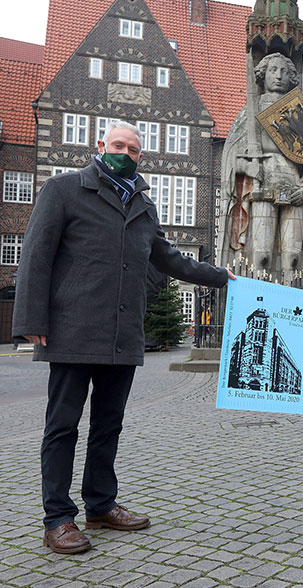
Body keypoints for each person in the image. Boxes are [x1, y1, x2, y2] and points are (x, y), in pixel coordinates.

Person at [12, 121, 236, 554]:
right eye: (118, 145)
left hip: (122, 333)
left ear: (140, 156)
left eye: (133, 149)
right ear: (101, 146)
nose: (125, 153)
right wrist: (30, 319)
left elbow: (168, 257)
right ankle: (57, 518)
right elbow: (36, 254)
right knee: (62, 426)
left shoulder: (143, 205)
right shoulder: (64, 189)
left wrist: (219, 276)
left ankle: (100, 505)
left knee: (108, 424)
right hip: (73, 330)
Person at [220, 52, 303, 275]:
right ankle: (258, 294)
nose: (279, 76)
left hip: (294, 186)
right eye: (273, 70)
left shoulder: (299, 113)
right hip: (263, 185)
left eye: (284, 71)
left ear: (291, 77)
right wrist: (247, 168)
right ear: (263, 75)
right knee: (261, 255)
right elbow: (231, 155)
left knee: (293, 258)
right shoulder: (252, 111)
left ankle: (290, 293)